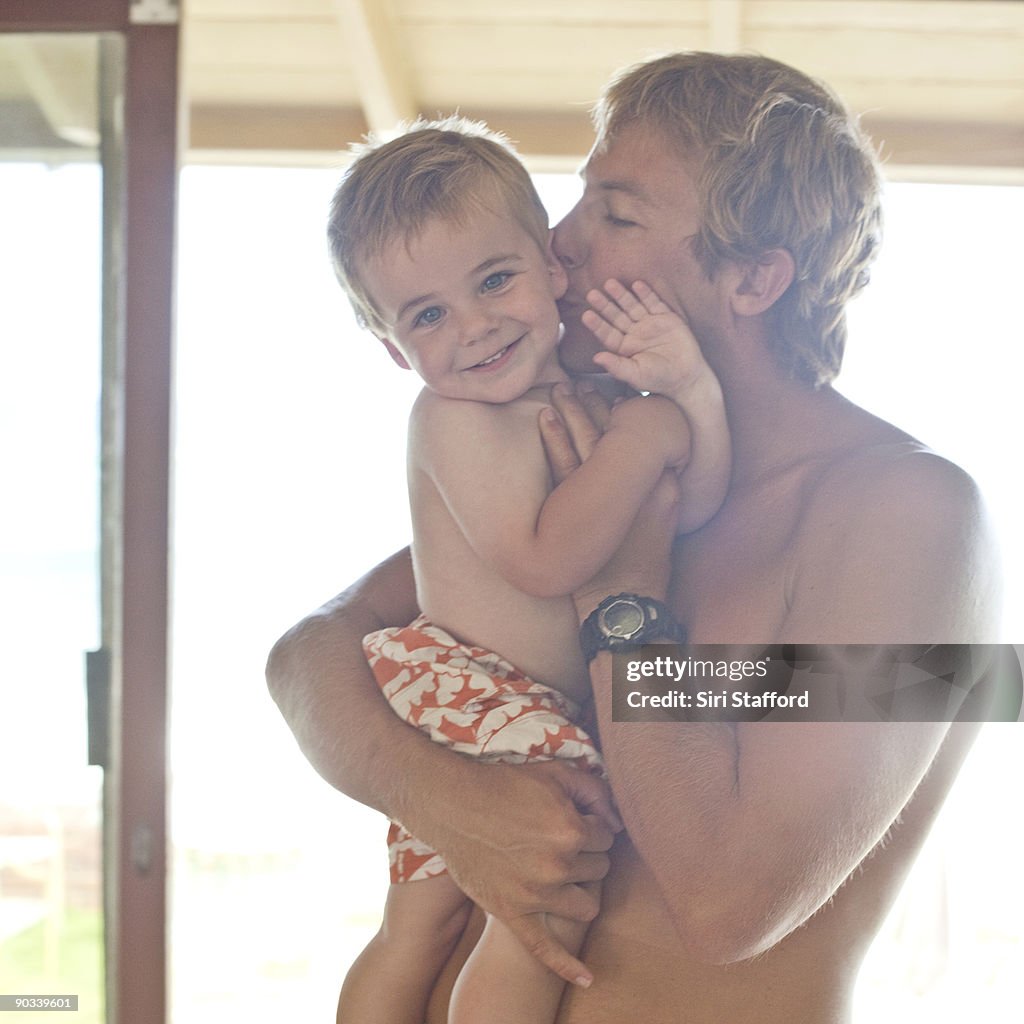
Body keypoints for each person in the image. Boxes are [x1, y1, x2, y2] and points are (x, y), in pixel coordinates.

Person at [267, 52, 1001, 1023]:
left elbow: (728, 899)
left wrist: (626, 607)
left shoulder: (911, 518)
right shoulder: (597, 459)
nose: (558, 249)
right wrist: (452, 800)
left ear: (751, 278)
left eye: (614, 214)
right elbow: (309, 654)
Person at [323, 118, 731, 1024]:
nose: (473, 327)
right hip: (471, 686)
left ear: (553, 266)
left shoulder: (597, 399)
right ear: (397, 350)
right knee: (539, 909)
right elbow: (544, 560)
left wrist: (689, 397)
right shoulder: (454, 419)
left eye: (494, 280)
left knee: (426, 922)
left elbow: (689, 511)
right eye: (427, 315)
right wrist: (644, 437)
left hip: (499, 701)